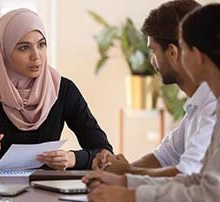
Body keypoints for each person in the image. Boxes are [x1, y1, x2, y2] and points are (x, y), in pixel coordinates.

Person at [83, 3, 220, 202]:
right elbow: (194, 180)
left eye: (183, 46)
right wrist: (124, 181)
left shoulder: (212, 108)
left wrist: (129, 193)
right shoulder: (204, 104)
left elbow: (206, 192)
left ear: (197, 56)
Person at [0, 8, 112, 170]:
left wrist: (72, 158)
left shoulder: (62, 89)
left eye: (41, 45)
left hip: (49, 191)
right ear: (3, 52)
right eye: (24, 47)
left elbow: (105, 152)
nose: (36, 56)